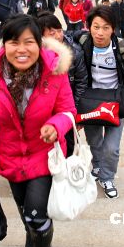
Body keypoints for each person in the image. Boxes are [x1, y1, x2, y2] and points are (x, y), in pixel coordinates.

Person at [0, 14, 75, 247]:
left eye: (29, 42)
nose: (21, 50)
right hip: (9, 154)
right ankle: (33, 234)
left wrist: (56, 125)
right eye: (14, 42)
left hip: (44, 154)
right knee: (23, 207)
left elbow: (68, 111)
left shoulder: (54, 72)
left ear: (39, 44)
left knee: (36, 211)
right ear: (4, 45)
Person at [76, 5, 124, 199]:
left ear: (113, 28)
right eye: (96, 27)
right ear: (88, 26)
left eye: (106, 28)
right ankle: (97, 167)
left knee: (111, 147)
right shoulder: (82, 42)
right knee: (94, 141)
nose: (100, 33)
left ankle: (107, 177)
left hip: (115, 102)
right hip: (90, 102)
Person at [37, 11, 88, 157]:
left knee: (69, 148)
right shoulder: (35, 54)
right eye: (52, 33)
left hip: (66, 109)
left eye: (59, 31)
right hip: (44, 111)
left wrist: (76, 114)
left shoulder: (74, 52)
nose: (58, 36)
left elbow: (81, 83)